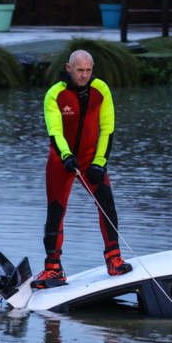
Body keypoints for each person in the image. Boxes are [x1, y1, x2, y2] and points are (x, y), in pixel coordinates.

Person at [32, 49, 133, 289]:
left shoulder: (101, 90)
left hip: (90, 160)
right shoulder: (54, 95)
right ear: (69, 68)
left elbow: (107, 128)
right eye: (79, 70)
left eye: (88, 70)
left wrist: (100, 162)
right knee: (56, 211)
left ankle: (114, 260)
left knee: (106, 201)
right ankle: (53, 269)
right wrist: (66, 156)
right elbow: (54, 131)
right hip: (61, 160)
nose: (84, 75)